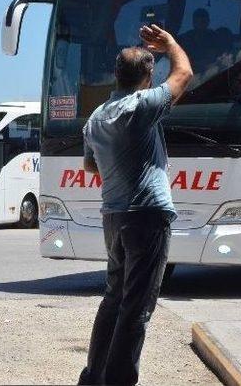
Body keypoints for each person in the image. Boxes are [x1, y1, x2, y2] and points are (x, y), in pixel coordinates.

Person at [78, 24, 193, 386]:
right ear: (147, 75)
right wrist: (171, 43)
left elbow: (90, 164)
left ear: (116, 75)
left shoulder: (97, 117)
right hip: (147, 216)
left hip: (113, 216)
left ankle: (93, 377)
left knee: (114, 299)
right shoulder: (142, 106)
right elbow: (184, 74)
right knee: (137, 309)